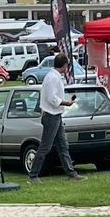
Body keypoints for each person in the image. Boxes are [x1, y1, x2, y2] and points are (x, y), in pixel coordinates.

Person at [26, 53, 82, 182]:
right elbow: (52, 98)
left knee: (63, 145)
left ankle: (71, 173)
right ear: (64, 65)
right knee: (45, 146)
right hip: (51, 115)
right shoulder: (52, 78)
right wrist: (65, 103)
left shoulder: (55, 77)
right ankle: (33, 175)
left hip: (56, 115)